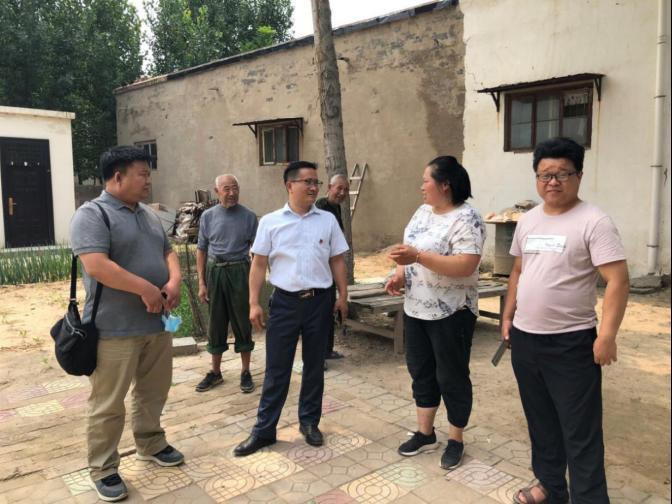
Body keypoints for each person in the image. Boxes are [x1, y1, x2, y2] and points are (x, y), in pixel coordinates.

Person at [501, 137, 629, 504]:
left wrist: (607, 336)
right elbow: (518, 270)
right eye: (544, 174)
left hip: (571, 343)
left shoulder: (594, 221)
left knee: (580, 430)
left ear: (579, 176)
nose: (552, 182)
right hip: (526, 340)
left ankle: (589, 498)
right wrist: (508, 316)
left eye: (562, 174)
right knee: (541, 421)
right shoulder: (528, 220)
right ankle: (551, 487)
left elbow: (618, 280)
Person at [70, 146, 184, 502]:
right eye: (142, 174)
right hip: (113, 329)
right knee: (108, 402)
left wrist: (174, 281)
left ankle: (151, 443)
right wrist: (146, 289)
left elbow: (168, 252)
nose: (148, 181)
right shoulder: (92, 214)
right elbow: (97, 266)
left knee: (154, 390)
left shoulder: (148, 214)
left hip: (156, 326)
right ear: (118, 177)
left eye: (148, 174)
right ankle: (103, 467)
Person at [234, 161, 349, 456]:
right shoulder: (270, 222)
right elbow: (259, 264)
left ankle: (309, 422)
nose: (313, 187)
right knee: (277, 368)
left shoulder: (327, 220)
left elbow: (337, 259)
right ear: (290, 185)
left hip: (320, 301)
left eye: (316, 182)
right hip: (285, 303)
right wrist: (253, 303)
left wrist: (343, 295)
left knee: (314, 366)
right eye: (307, 181)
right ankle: (264, 431)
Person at [385, 156, 485, 471]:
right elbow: (407, 250)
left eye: (425, 181)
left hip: (452, 312)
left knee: (451, 376)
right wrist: (399, 274)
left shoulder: (467, 218)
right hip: (416, 308)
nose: (421, 187)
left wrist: (418, 257)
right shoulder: (422, 212)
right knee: (421, 371)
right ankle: (425, 433)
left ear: (445, 185)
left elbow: (465, 265)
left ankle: (455, 439)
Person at [195, 174, 258, 393]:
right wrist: (202, 282)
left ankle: (245, 371)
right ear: (217, 191)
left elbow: (258, 253)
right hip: (216, 273)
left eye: (235, 188)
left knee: (242, 322)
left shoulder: (249, 217)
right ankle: (215, 372)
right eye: (226, 189)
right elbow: (201, 250)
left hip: (240, 271)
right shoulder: (207, 217)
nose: (232, 193)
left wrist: (255, 284)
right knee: (216, 322)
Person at [315, 174, 350, 361]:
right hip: (321, 270)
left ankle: (327, 350)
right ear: (329, 187)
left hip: (331, 269)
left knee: (329, 312)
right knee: (320, 316)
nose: (342, 193)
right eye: (339, 188)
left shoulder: (336, 208)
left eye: (345, 189)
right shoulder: (320, 207)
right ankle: (318, 356)